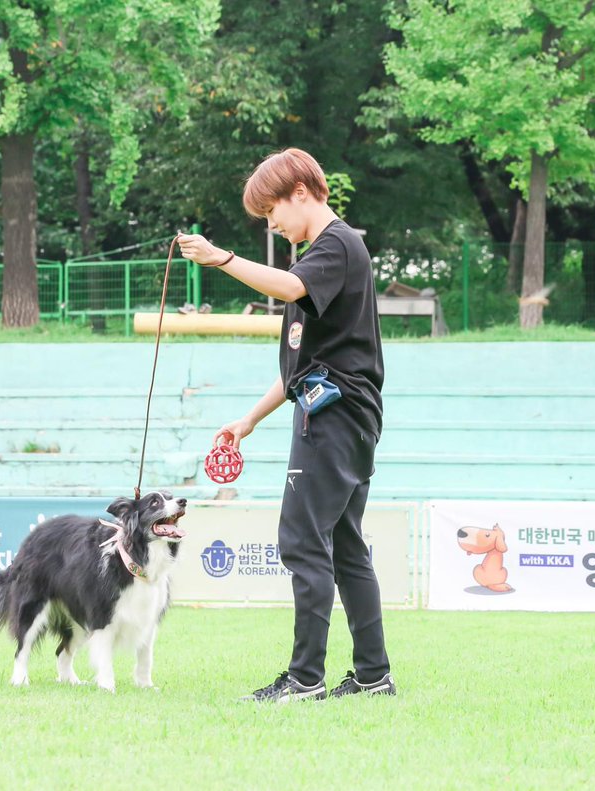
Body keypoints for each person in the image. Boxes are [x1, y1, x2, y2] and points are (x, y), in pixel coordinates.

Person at [176, 148, 394, 702]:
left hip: (336, 416)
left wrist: (220, 259)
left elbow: (288, 289)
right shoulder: (321, 257)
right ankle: (373, 677)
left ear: (301, 191)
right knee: (345, 546)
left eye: (272, 212)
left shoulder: (336, 246)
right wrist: (249, 419)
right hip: (346, 411)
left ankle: (304, 681)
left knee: (301, 540)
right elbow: (305, 365)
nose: (271, 225)